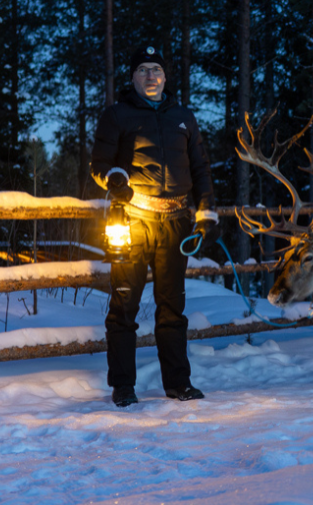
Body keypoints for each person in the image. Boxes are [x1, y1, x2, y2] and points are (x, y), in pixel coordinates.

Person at [91, 45, 220, 407]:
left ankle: (178, 383)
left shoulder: (183, 117)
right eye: (144, 69)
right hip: (132, 219)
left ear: (165, 77)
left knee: (172, 309)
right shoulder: (117, 115)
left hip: (175, 223)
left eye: (156, 69)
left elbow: (200, 169)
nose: (151, 75)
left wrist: (206, 213)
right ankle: (123, 386)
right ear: (133, 77)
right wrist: (114, 179)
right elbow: (99, 164)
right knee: (124, 306)